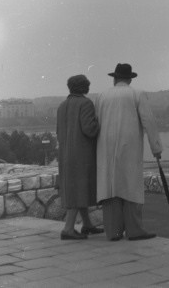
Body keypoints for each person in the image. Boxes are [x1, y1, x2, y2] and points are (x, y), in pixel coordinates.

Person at [96, 63, 163, 241]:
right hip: (130, 146)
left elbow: (97, 122)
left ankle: (113, 231)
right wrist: (156, 148)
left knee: (111, 187)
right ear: (130, 79)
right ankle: (134, 229)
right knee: (131, 185)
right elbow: (149, 121)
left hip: (106, 147)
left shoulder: (102, 96)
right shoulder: (137, 94)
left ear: (115, 78)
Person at [57, 74, 103, 239]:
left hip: (65, 155)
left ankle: (87, 224)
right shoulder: (86, 103)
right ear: (84, 87)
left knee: (77, 188)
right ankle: (68, 229)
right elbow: (89, 129)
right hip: (81, 155)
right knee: (79, 189)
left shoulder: (62, 106)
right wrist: (99, 123)